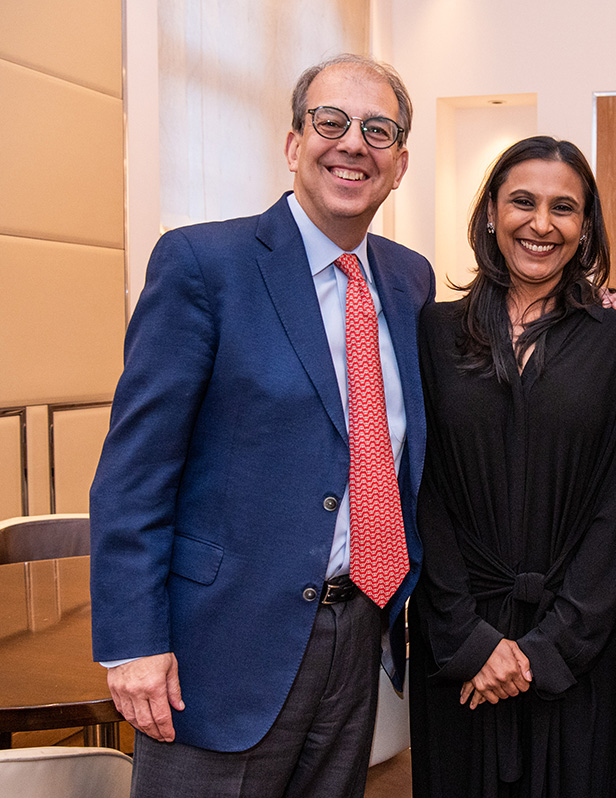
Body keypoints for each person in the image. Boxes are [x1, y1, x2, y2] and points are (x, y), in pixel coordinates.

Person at [89, 53, 434, 797]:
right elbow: (135, 473)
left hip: (360, 629)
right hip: (219, 645)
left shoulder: (408, 281)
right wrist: (134, 644)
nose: (352, 144)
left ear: (399, 164)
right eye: (330, 122)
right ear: (292, 144)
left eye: (377, 130)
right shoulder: (202, 264)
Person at [407, 136, 616, 798]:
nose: (541, 224)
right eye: (523, 201)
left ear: (585, 226)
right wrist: (467, 639)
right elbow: (423, 493)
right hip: (457, 642)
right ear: (491, 212)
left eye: (563, 208)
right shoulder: (432, 331)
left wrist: (553, 648)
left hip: (573, 648)